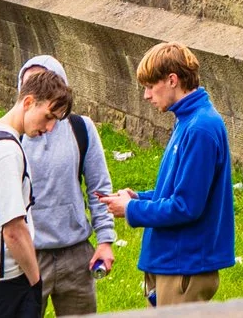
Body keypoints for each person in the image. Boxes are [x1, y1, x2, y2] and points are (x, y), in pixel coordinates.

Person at [96, 43, 233, 306]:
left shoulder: (200, 128)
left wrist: (133, 209)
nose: (146, 95)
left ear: (172, 80)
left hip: (185, 267)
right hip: (173, 263)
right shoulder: (188, 120)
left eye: (150, 86)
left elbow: (186, 206)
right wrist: (139, 198)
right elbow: (179, 192)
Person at [13, 56, 116, 316]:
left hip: (76, 255)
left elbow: (99, 188)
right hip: (29, 255)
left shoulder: (81, 129)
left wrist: (105, 240)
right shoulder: (10, 138)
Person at [0, 70, 63, 318]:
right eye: (48, 116)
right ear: (28, 102)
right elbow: (13, 230)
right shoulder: (6, 153)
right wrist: (35, 281)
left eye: (55, 121)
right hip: (0, 280)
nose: (49, 128)